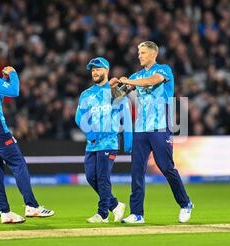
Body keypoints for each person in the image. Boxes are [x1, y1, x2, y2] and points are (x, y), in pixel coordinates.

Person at [0, 42, 54, 224]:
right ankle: (32, 206)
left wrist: (2, 82)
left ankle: (4, 212)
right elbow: (14, 91)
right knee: (18, 162)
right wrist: (12, 74)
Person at [113, 41, 193, 224]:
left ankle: (185, 203)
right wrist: (113, 86)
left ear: (153, 54)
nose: (139, 55)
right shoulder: (137, 75)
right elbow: (119, 96)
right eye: (138, 52)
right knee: (137, 171)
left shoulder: (164, 70)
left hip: (160, 128)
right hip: (140, 130)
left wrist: (129, 81)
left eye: (142, 52)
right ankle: (137, 213)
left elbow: (152, 81)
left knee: (166, 167)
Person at [75, 57, 132, 223]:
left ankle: (102, 214)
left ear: (106, 71)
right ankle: (115, 205)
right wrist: (90, 134)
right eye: (92, 69)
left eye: (98, 69)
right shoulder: (86, 94)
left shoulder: (117, 92)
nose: (95, 72)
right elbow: (79, 117)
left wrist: (129, 141)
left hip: (109, 141)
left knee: (102, 178)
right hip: (92, 144)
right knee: (90, 177)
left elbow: (126, 117)